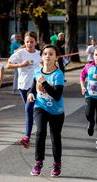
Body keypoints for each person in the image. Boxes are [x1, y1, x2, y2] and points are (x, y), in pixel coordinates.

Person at [28, 45, 65, 177]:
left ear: (56, 57)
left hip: (56, 111)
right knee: (40, 132)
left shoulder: (58, 74)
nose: (47, 56)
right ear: (42, 56)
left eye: (51, 54)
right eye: (45, 54)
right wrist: (30, 94)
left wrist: (44, 83)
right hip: (41, 107)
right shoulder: (37, 71)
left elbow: (57, 95)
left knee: (55, 137)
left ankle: (56, 164)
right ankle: (38, 162)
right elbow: (32, 89)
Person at [6, 31, 41, 148]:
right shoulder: (20, 53)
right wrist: (20, 65)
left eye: (31, 42)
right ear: (24, 42)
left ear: (36, 42)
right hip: (23, 86)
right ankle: (32, 131)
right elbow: (8, 65)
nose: (29, 44)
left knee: (29, 109)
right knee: (30, 110)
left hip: (36, 86)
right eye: (27, 42)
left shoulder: (40, 54)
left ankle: (27, 137)